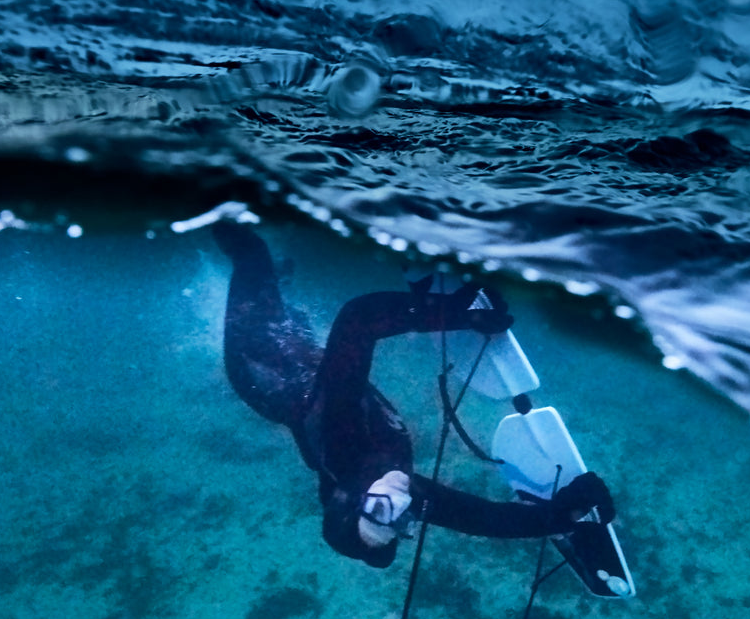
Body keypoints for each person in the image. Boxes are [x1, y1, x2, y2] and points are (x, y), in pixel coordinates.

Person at [214, 221, 615, 567]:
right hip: (313, 372)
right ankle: (285, 294)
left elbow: (358, 320)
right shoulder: (399, 497)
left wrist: (457, 313)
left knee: (253, 256)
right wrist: (567, 514)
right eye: (402, 526)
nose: (403, 510)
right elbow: (484, 519)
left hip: (260, 363)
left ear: (353, 497)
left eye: (380, 512)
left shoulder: (345, 440)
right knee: (298, 326)